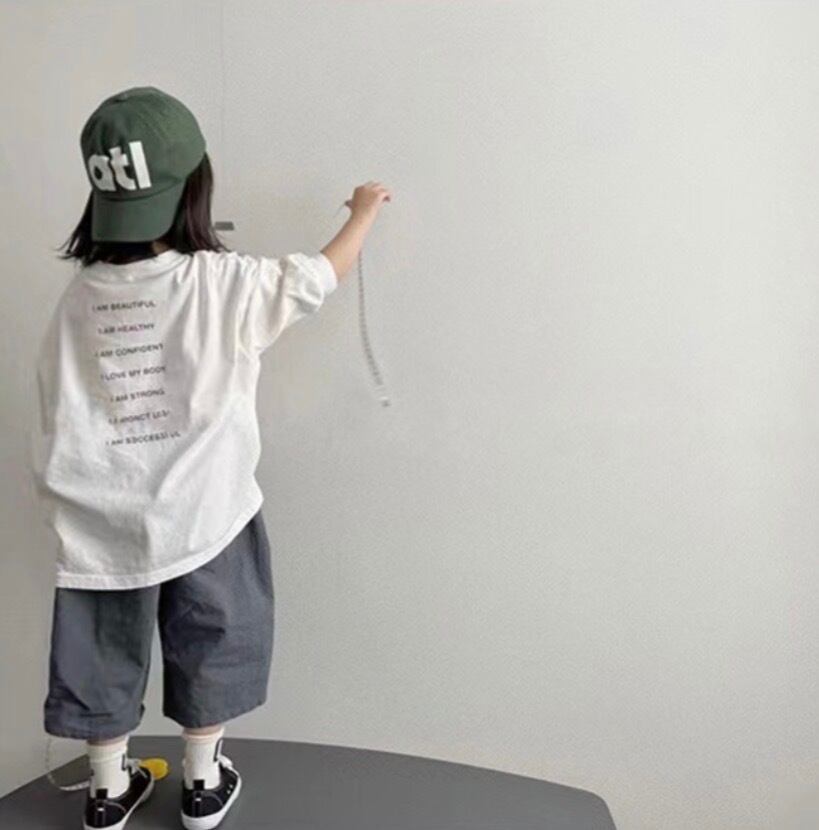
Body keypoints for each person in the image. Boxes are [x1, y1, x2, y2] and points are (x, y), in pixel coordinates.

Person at [29, 85, 391, 830]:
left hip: (100, 521)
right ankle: (201, 780)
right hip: (207, 510)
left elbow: (53, 403)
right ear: (197, 186)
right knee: (215, 637)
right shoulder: (222, 284)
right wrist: (362, 212)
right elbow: (318, 275)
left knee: (102, 652)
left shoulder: (79, 298)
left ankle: (107, 790)